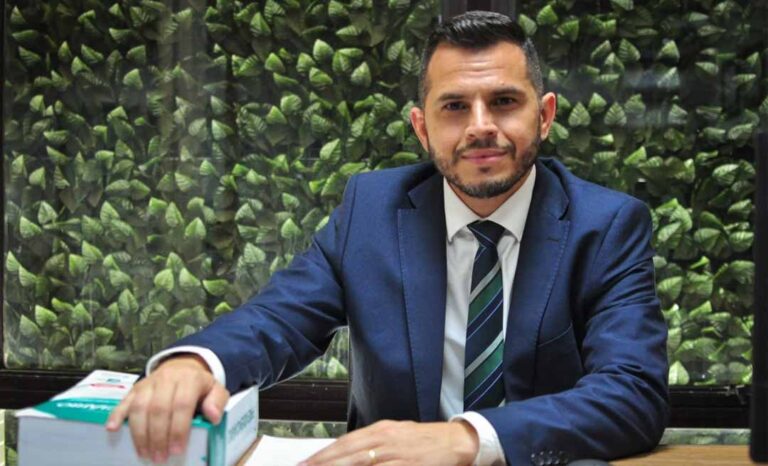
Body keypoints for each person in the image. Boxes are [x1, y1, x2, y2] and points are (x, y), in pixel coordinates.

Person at [107, 11, 669, 466]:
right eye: (455, 106)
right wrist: (197, 364)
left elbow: (633, 393)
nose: (480, 126)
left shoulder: (607, 225)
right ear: (422, 127)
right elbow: (281, 318)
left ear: (544, 116)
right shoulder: (372, 210)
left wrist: (467, 439)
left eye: (503, 101)